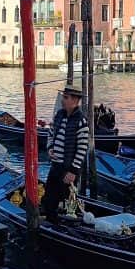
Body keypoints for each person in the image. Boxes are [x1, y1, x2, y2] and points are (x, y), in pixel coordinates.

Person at [41, 85, 89, 224]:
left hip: (69, 169)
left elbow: (82, 148)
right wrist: (50, 148)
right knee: (50, 198)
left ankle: (64, 225)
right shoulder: (59, 115)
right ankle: (51, 222)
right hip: (55, 166)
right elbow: (51, 134)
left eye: (66, 98)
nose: (62, 100)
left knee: (68, 202)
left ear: (75, 100)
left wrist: (73, 171)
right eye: (64, 97)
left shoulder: (81, 121)